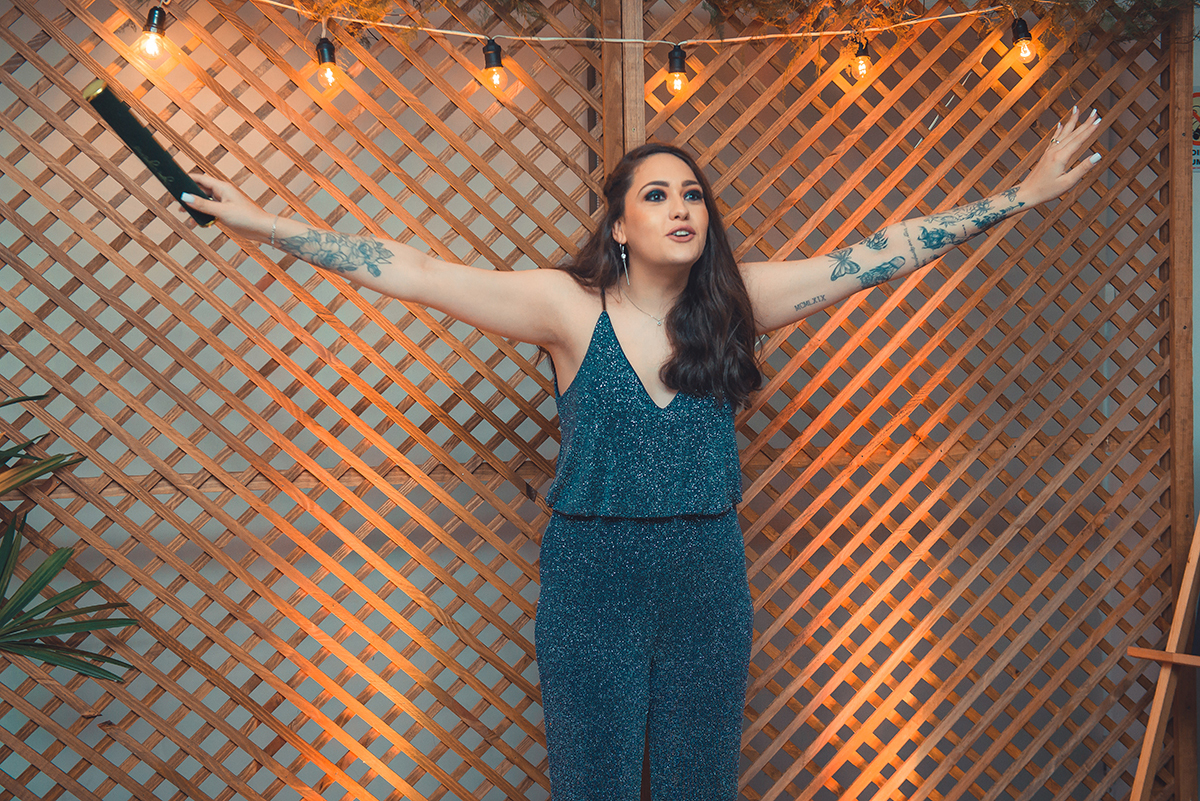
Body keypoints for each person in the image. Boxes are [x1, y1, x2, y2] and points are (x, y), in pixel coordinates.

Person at [181, 106, 1102, 800]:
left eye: (692, 192)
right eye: (655, 193)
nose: (680, 206)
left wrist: (1025, 192)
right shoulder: (564, 308)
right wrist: (264, 221)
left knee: (702, 784)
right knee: (597, 785)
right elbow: (413, 270)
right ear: (620, 224)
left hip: (708, 574)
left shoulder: (741, 302)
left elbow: (883, 253)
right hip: (592, 574)